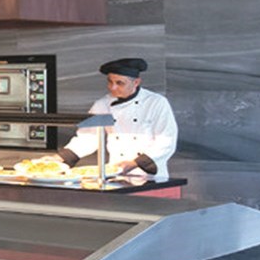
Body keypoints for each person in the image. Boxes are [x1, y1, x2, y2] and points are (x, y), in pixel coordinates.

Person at [49, 57, 178, 182]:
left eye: (119, 83)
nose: (112, 87)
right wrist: (60, 158)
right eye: (110, 82)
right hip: (115, 174)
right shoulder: (102, 104)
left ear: (136, 82)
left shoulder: (156, 103)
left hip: (150, 177)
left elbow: (166, 141)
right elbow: (87, 138)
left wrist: (134, 163)